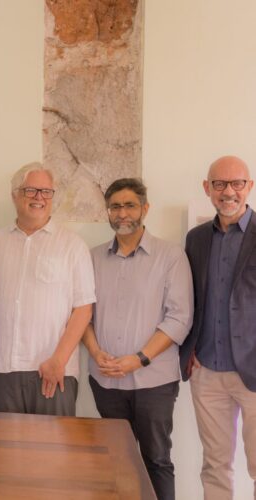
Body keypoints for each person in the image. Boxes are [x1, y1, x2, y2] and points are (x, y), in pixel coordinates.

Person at [83, 178, 193, 500]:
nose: (122, 213)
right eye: (115, 206)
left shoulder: (170, 256)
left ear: (145, 208)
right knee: (116, 461)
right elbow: (82, 315)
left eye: (130, 205)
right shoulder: (92, 258)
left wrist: (139, 359)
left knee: (156, 460)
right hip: (106, 380)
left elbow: (179, 318)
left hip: (154, 381)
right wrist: (95, 352)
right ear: (107, 211)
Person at [0, 162, 95, 416]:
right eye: (30, 190)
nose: (39, 198)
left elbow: (83, 309)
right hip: (4, 369)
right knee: (6, 443)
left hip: (54, 370)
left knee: (54, 443)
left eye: (46, 192)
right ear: (15, 195)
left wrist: (58, 360)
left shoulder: (72, 245)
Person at [181, 155, 256, 499]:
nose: (229, 192)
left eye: (237, 183)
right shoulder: (195, 239)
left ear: (249, 186)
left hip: (253, 371)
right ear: (207, 188)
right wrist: (190, 348)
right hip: (207, 371)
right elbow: (190, 297)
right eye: (220, 184)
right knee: (215, 465)